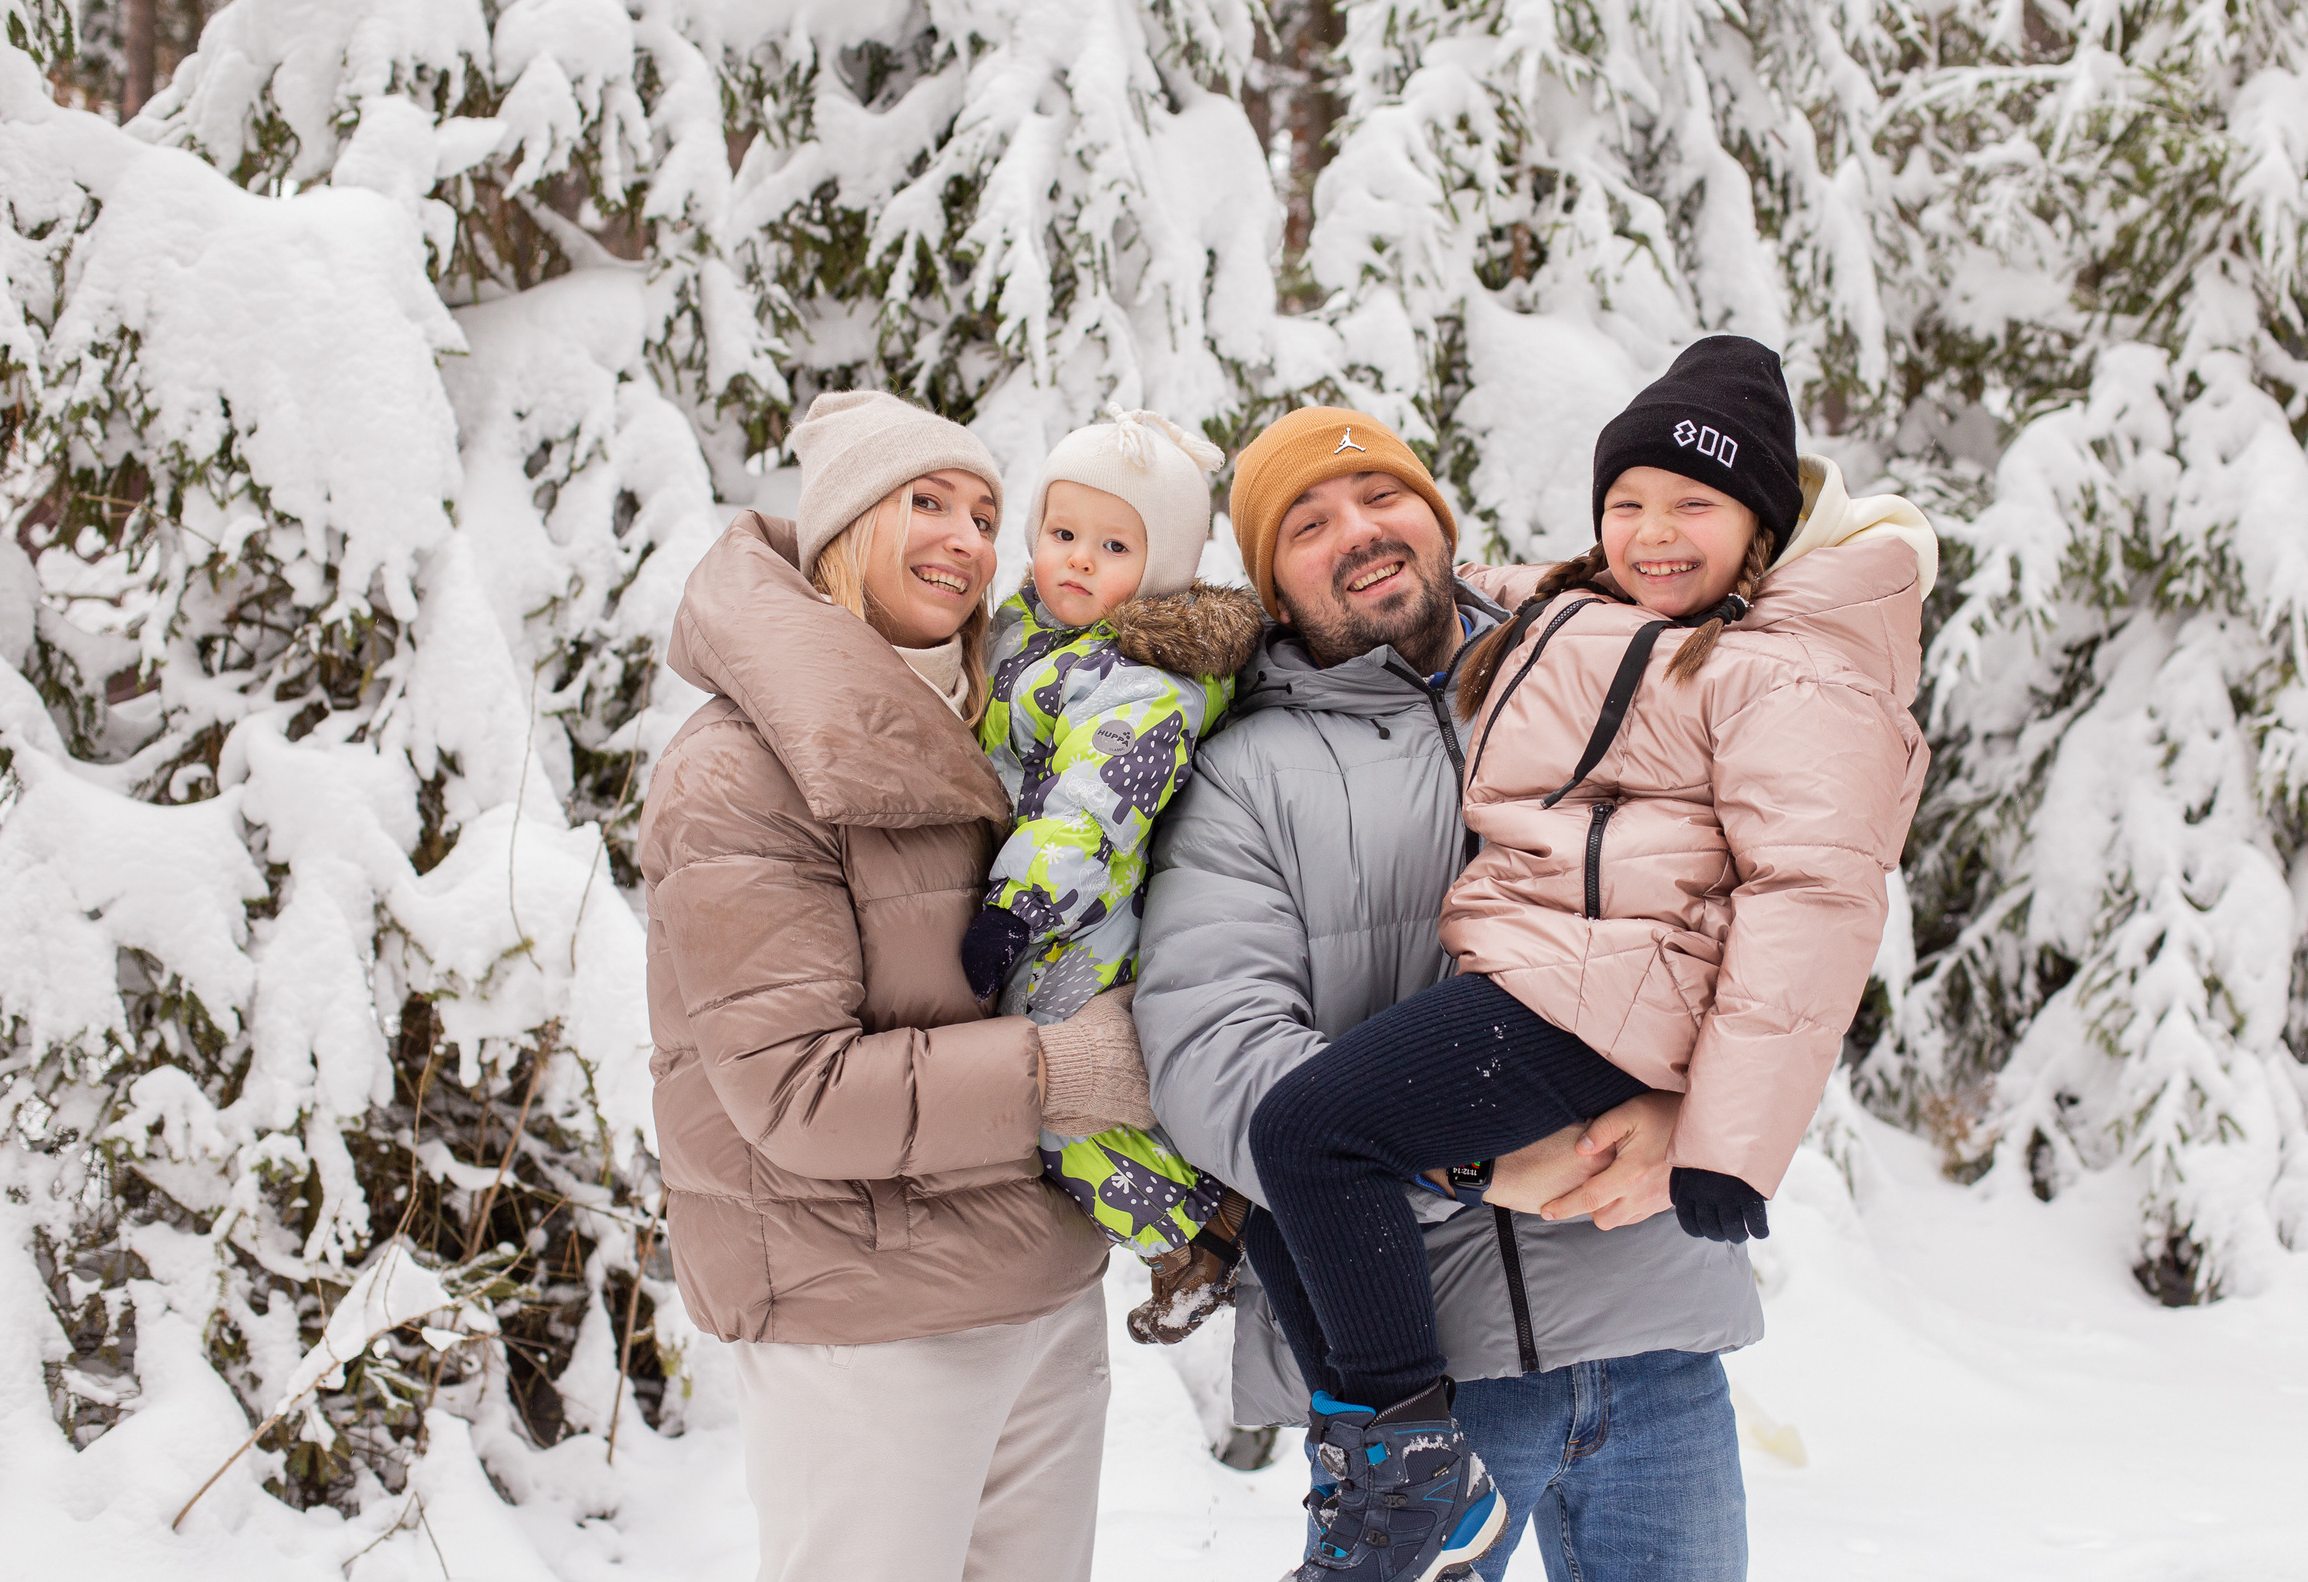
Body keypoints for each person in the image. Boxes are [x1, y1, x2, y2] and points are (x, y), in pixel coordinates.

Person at [1237, 336, 1940, 1582]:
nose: (1653, 533)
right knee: (1287, 1168)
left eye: (1694, 505)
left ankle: (1417, 1480)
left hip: (1605, 996)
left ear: (1764, 523)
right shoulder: (1611, 615)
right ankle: (1389, 1463)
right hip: (1563, 981)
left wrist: (1723, 1138)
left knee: (1307, 1133)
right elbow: (1493, 597)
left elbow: (1815, 898)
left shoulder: (1785, 665)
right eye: (1626, 504)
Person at [1132, 382, 1788, 1582]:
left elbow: (1767, 933)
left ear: (1436, 517)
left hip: (1653, 1329)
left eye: (1382, 493)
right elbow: (1210, 1059)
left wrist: (1693, 1118)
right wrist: (1466, 1165)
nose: (1360, 529)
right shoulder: (1242, 775)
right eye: (1309, 522)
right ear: (1273, 587)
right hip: (1435, 1372)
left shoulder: (1611, 671)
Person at [637, 390, 1157, 1582]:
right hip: (863, 1316)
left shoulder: (999, 727)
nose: (966, 539)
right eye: (925, 502)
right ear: (843, 526)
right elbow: (796, 1088)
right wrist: (1067, 1070)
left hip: (1039, 1281)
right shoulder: (737, 770)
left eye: (983, 511)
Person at [960, 409, 1264, 1344]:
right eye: (1062, 535)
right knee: (1041, 1104)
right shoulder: (1023, 629)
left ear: (1163, 565)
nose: (1078, 561)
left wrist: (1014, 910)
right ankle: (1191, 1221)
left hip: (1080, 919)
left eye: (1113, 545)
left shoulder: (1148, 675)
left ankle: (1199, 1234)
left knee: (1063, 1109)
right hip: (1037, 899)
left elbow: (1093, 812)